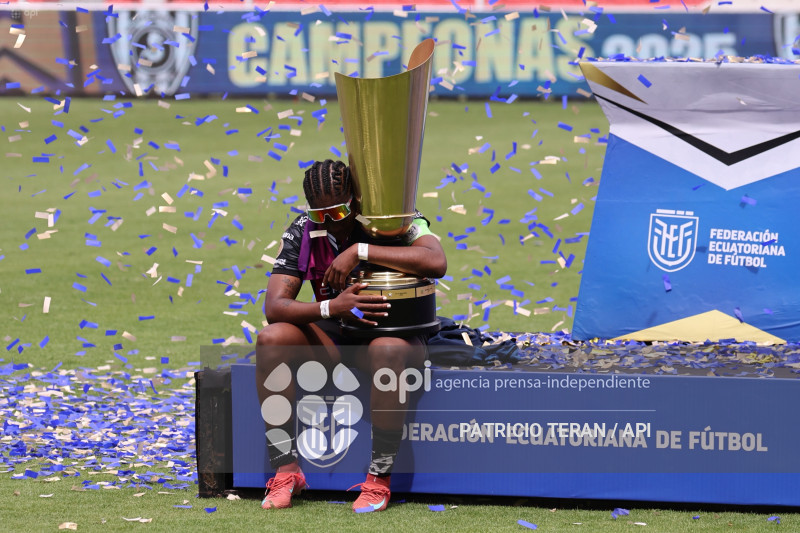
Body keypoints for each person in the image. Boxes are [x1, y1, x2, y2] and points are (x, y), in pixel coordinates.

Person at [255, 159, 447, 512]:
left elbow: (437, 262)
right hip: (339, 333)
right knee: (272, 339)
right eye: (320, 214)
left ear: (356, 202)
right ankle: (286, 470)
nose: (329, 222)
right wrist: (332, 308)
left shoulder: (394, 218)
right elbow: (274, 306)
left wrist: (359, 251)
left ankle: (378, 479)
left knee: (387, 350)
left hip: (395, 336)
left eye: (338, 211)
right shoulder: (303, 230)